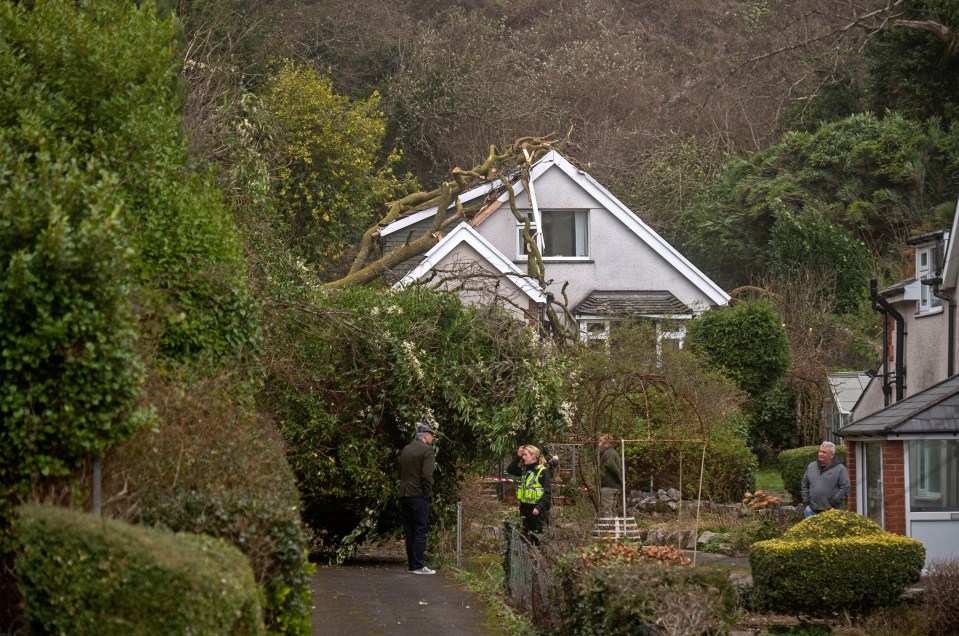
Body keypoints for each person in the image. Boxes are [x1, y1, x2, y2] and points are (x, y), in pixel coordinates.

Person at [399, 423, 437, 574]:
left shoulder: (406, 449)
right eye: (431, 436)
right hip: (418, 495)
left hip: (404, 494)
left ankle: (412, 565)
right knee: (420, 530)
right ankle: (419, 565)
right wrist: (428, 493)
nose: (432, 439)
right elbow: (427, 475)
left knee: (410, 532)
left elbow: (400, 472)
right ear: (425, 436)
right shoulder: (427, 451)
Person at [505, 445, 552, 544]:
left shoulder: (543, 471)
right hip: (524, 509)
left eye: (526, 455)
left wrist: (538, 507)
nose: (523, 457)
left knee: (539, 541)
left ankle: (539, 559)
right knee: (525, 541)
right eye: (523, 455)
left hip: (538, 512)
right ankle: (528, 558)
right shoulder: (525, 470)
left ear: (533, 456)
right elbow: (510, 469)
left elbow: (547, 493)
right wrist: (518, 456)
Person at [801, 441, 850, 518]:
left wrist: (834, 502)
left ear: (831, 455)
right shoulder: (811, 466)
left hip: (832, 511)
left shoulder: (840, 469)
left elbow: (845, 487)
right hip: (811, 511)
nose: (820, 454)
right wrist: (806, 504)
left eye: (824, 452)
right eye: (820, 451)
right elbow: (804, 484)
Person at [599, 434, 623, 518]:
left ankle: (608, 530)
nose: (599, 443)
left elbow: (614, 469)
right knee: (612, 510)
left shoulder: (607, 454)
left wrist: (619, 480)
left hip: (609, 487)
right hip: (613, 486)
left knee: (607, 511)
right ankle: (615, 529)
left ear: (605, 442)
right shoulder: (611, 452)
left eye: (600, 441)